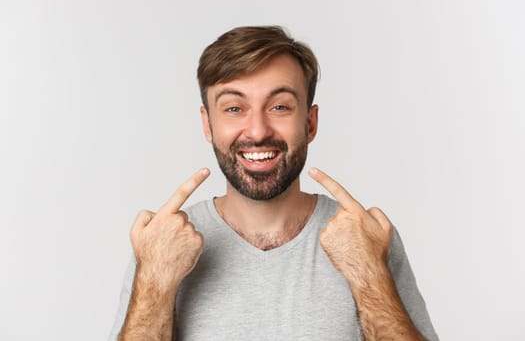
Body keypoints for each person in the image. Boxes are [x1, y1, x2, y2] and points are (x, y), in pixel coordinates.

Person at [109, 26, 438, 341]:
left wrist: (370, 277)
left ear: (310, 123)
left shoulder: (365, 237)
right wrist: (154, 281)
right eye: (234, 108)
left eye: (280, 107)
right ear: (208, 125)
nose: (257, 130)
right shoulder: (162, 243)